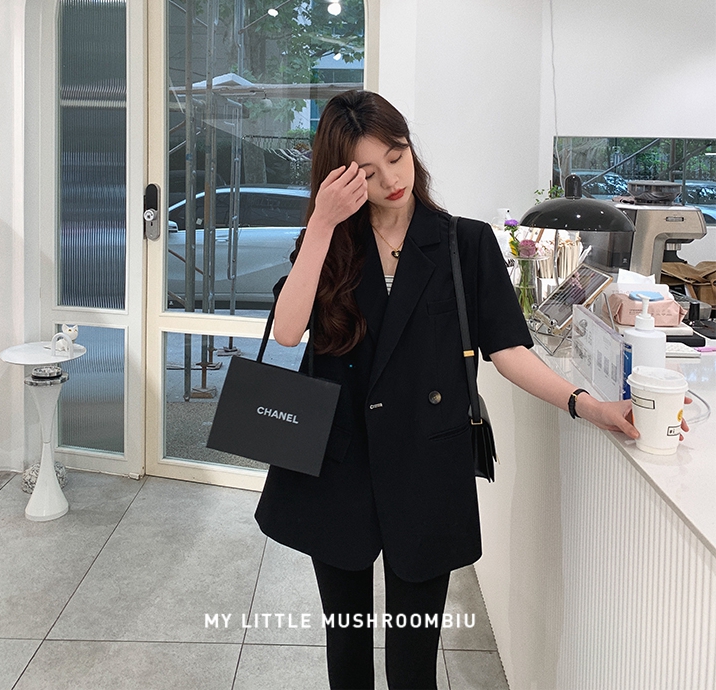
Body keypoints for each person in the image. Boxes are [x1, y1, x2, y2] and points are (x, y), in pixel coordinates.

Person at [253, 90, 666, 690]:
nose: (391, 179)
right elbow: (289, 331)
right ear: (340, 177)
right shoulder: (331, 245)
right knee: (346, 651)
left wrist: (590, 405)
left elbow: (509, 351)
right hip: (340, 464)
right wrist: (320, 223)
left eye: (396, 156)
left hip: (427, 465)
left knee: (413, 665)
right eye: (367, 171)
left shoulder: (462, 243)